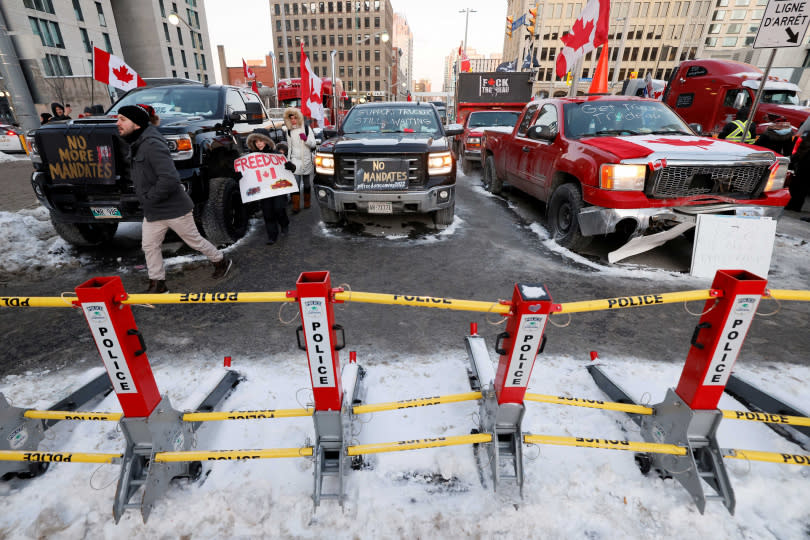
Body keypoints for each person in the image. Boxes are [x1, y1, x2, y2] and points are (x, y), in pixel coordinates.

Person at [116, 103, 233, 293]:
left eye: (122, 119)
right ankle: (158, 283)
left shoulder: (152, 144)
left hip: (173, 208)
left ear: (136, 124)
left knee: (194, 241)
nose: (118, 123)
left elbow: (169, 178)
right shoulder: (137, 143)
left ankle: (221, 260)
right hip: (153, 210)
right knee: (149, 245)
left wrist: (149, 197)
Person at [246, 128, 296, 244]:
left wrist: (290, 166)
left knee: (279, 208)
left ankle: (284, 223)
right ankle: (272, 236)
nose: (259, 143)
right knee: (267, 212)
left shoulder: (276, 155)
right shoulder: (251, 157)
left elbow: (291, 170)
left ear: (267, 141)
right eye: (256, 141)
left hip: (278, 189)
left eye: (261, 141)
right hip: (264, 190)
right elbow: (248, 173)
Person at [282, 107, 316, 213]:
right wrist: (288, 160)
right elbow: (290, 147)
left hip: (306, 160)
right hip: (295, 160)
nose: (293, 120)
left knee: (306, 184)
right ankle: (296, 206)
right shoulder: (289, 131)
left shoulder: (306, 128)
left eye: (295, 118)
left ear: (299, 118)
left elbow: (313, 144)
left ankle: (307, 203)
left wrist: (306, 139)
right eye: (291, 118)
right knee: (295, 184)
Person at [787, 131, 810, 212]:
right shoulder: (805, 141)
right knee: (800, 188)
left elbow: (799, 153)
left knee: (797, 187)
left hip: (803, 168)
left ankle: (793, 205)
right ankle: (795, 206)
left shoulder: (805, 141)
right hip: (803, 168)